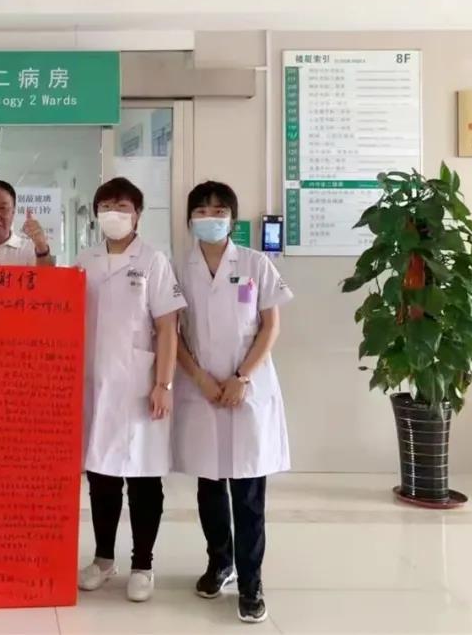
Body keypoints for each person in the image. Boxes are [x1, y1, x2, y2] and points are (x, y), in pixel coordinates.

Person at [172, 181, 293, 624]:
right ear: (190, 219)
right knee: (209, 486)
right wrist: (200, 378)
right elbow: (171, 333)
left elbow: (269, 327)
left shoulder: (256, 264)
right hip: (200, 389)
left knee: (248, 492)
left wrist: (242, 377)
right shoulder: (177, 268)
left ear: (233, 219)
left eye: (219, 210)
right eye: (202, 210)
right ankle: (219, 562)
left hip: (248, 390)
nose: (211, 217)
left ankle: (251, 582)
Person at [76, 177, 186, 603]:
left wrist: (164, 383)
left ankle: (143, 564)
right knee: (101, 476)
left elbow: (168, 327)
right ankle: (104, 559)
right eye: (106, 206)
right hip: (95, 383)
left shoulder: (154, 261)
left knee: (143, 479)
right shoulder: (85, 260)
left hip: (141, 384)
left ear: (138, 214)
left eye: (122, 206)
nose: (114, 214)